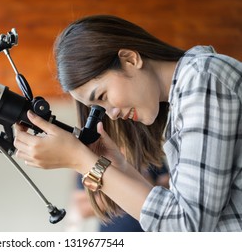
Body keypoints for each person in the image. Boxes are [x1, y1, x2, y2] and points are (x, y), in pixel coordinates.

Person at [13, 15, 242, 231]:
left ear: (130, 59)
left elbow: (187, 226)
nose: (111, 115)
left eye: (102, 96)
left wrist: (81, 161)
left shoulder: (202, 79)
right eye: (100, 109)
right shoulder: (186, 97)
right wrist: (118, 167)